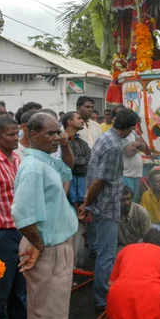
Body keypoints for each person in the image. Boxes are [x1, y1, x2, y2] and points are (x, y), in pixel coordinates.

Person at [12, 112, 78, 319]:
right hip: (47, 249)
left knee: (55, 314)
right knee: (45, 317)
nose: (57, 137)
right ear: (32, 133)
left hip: (55, 244)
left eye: (58, 132)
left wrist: (64, 145)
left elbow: (69, 169)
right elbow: (22, 216)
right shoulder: (32, 168)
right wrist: (39, 244)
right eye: (51, 134)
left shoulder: (46, 158)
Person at [78, 109, 139, 310]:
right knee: (106, 255)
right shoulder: (113, 147)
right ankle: (103, 300)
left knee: (105, 252)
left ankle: (103, 294)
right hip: (106, 207)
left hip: (100, 205)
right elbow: (99, 181)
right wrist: (87, 204)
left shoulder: (106, 137)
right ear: (129, 128)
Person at [0, 116, 27, 319]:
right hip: (2, 234)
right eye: (10, 134)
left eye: (17, 133)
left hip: (19, 230)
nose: (15, 138)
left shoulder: (17, 158)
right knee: (1, 288)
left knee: (19, 285)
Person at [62, 111, 91, 261]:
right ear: (70, 122)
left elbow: (88, 163)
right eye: (78, 118)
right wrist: (76, 162)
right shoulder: (61, 141)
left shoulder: (82, 143)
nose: (82, 120)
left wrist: (75, 162)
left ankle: (74, 263)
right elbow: (68, 164)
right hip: (66, 192)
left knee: (79, 228)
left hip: (81, 192)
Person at [112, 104, 155, 203]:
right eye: (121, 114)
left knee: (134, 203)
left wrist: (135, 144)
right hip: (125, 175)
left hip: (135, 174)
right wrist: (138, 145)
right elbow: (128, 152)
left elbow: (145, 147)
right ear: (115, 118)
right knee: (125, 204)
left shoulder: (132, 132)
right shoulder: (118, 134)